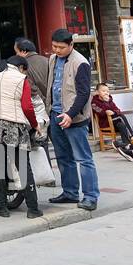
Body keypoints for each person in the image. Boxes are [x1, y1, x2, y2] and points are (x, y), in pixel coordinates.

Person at [0, 55, 43, 219]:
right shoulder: (21, 78)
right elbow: (27, 107)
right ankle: (33, 209)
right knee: (23, 166)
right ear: (21, 67)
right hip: (12, 124)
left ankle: (1, 207)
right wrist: (35, 124)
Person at [46, 28, 99, 210]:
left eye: (61, 47)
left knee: (83, 158)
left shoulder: (80, 62)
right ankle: (70, 192)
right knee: (62, 156)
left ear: (71, 45)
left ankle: (91, 196)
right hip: (55, 114)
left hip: (74, 118)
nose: (57, 50)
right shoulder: (52, 59)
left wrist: (70, 114)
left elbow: (84, 93)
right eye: (54, 46)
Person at [13, 38, 51, 115]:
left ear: (23, 51)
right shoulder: (47, 60)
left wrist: (45, 105)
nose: (16, 55)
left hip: (40, 110)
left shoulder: (23, 67)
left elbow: (32, 90)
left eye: (16, 52)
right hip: (53, 106)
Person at [91, 81, 133, 147]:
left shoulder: (110, 100)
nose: (106, 93)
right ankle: (132, 136)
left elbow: (117, 110)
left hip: (115, 122)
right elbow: (100, 112)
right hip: (105, 123)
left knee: (121, 125)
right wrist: (106, 106)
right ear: (97, 92)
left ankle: (126, 145)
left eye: (107, 91)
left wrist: (109, 105)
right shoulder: (94, 103)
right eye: (103, 91)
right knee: (121, 116)